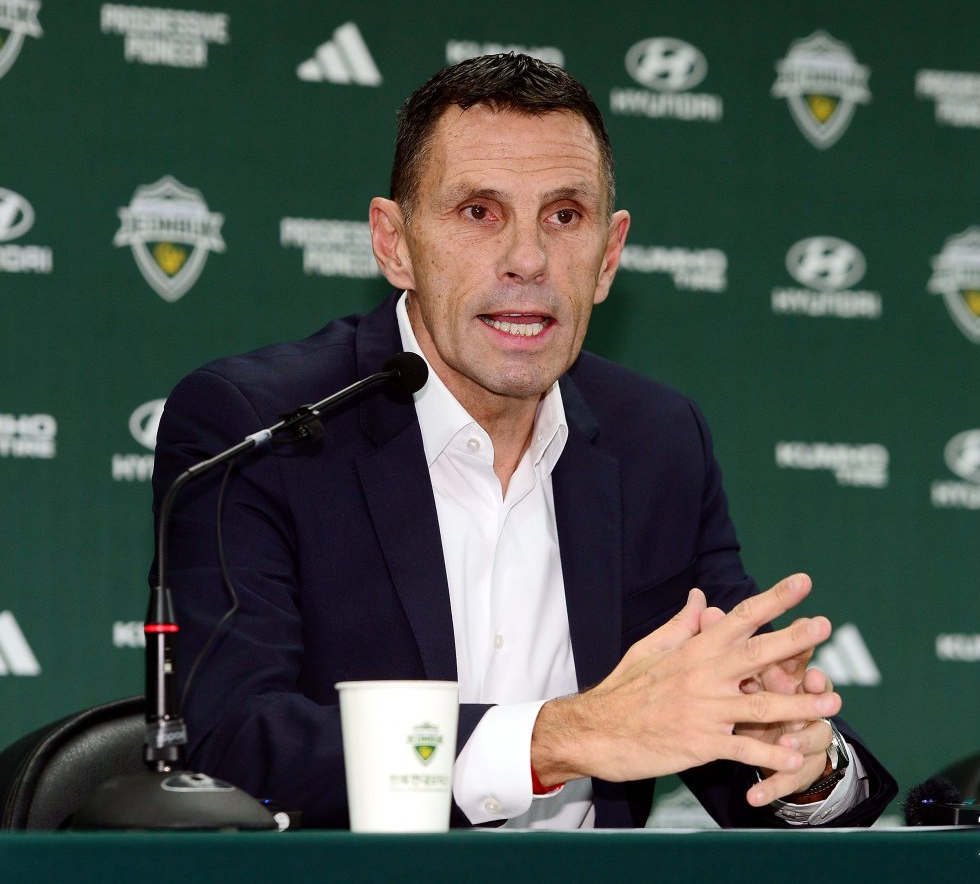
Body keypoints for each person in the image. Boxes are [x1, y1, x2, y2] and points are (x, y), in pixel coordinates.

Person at [152, 53, 897, 829]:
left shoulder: (656, 441)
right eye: (480, 211)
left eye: (564, 216)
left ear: (608, 256)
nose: (528, 260)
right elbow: (230, 741)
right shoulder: (263, 429)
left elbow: (737, 734)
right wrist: (561, 738)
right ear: (395, 242)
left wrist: (799, 761)